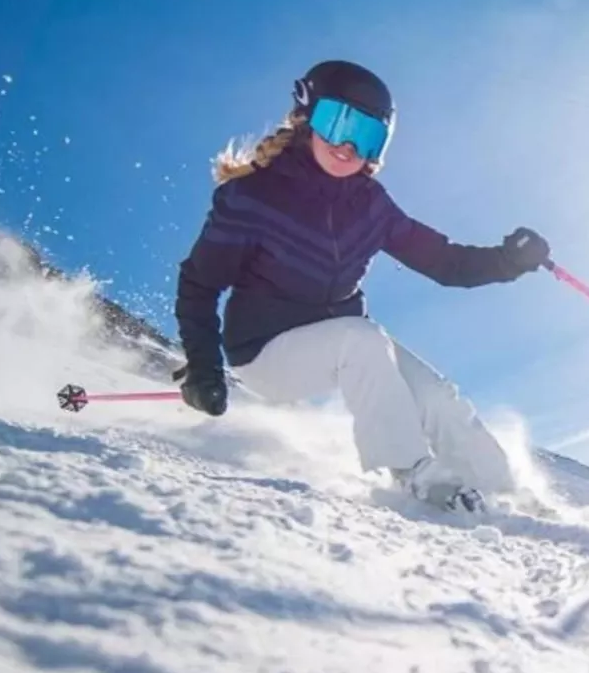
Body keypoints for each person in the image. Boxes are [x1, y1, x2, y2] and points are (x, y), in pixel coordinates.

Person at [174, 60, 551, 512]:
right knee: (362, 339)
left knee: (436, 397)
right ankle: (412, 473)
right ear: (306, 116)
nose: (349, 146)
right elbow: (199, 283)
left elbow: (446, 263)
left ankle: (507, 494)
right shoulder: (253, 196)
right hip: (264, 353)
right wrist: (202, 365)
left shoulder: (370, 205)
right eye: (339, 124)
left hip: (348, 344)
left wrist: (509, 261)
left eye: (369, 135)